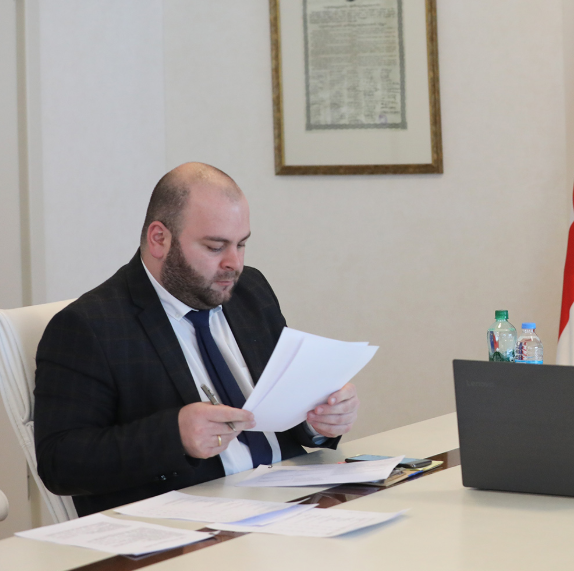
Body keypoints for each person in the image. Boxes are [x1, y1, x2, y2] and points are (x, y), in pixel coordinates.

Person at [34, 162, 361, 516]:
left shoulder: (251, 291)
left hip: (298, 502)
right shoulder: (89, 326)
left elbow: (280, 406)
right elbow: (60, 463)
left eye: (241, 244)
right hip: (192, 525)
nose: (234, 263)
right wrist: (174, 437)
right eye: (215, 247)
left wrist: (318, 420)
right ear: (159, 239)